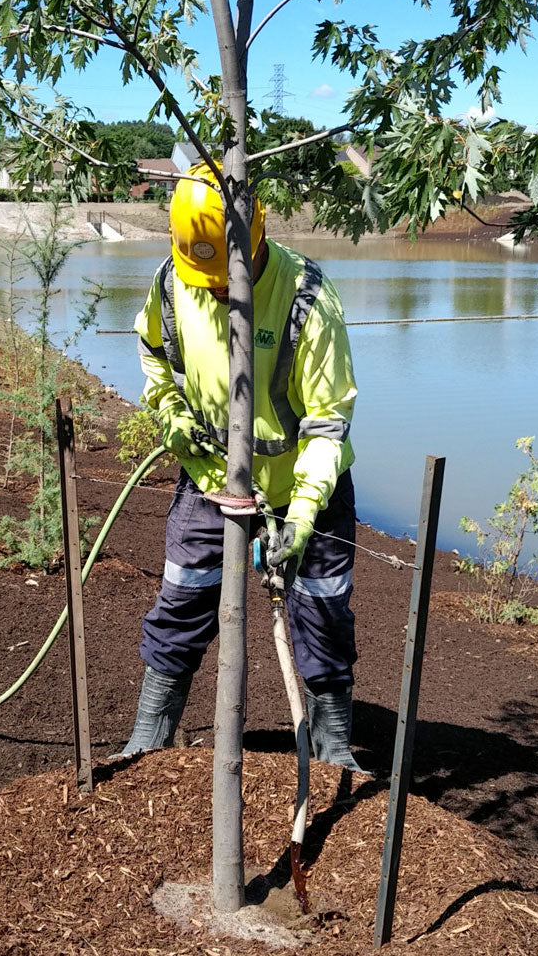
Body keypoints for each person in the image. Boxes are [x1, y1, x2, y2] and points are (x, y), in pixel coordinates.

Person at [119, 162, 364, 771]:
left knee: (323, 608)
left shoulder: (308, 298)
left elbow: (329, 424)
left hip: (304, 488)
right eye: (204, 277)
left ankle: (334, 749)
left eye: (226, 274)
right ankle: (150, 739)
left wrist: (303, 512)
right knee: (183, 597)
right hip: (210, 479)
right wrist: (176, 424)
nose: (216, 289)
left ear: (254, 235)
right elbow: (152, 353)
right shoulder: (174, 284)